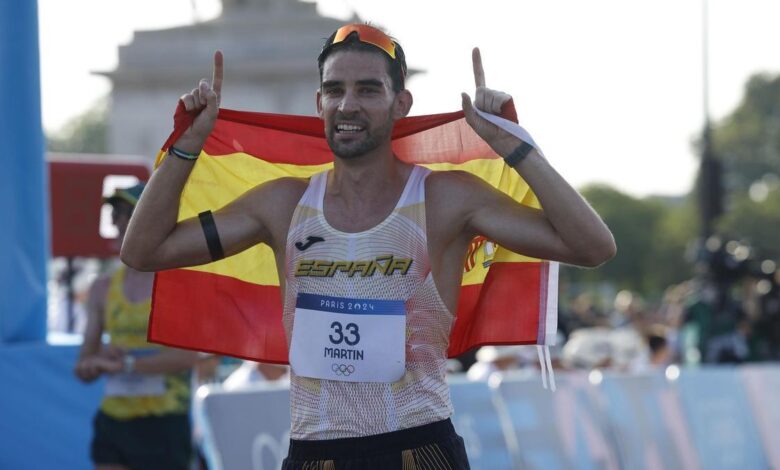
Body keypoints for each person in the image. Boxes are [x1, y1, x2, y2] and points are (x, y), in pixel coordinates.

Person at [122, 23, 616, 469]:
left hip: (419, 448)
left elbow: (592, 246)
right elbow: (143, 251)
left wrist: (515, 146)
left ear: (401, 103)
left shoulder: (445, 198)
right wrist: (188, 145)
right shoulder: (282, 204)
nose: (348, 105)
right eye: (334, 90)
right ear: (318, 104)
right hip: (314, 452)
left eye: (367, 90)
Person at [74, 183, 199, 470]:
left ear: (151, 219)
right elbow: (83, 365)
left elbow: (189, 358)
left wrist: (127, 365)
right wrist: (94, 365)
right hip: (114, 420)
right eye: (115, 214)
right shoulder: (102, 288)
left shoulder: (178, 284)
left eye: (128, 213)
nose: (118, 222)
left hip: (164, 422)